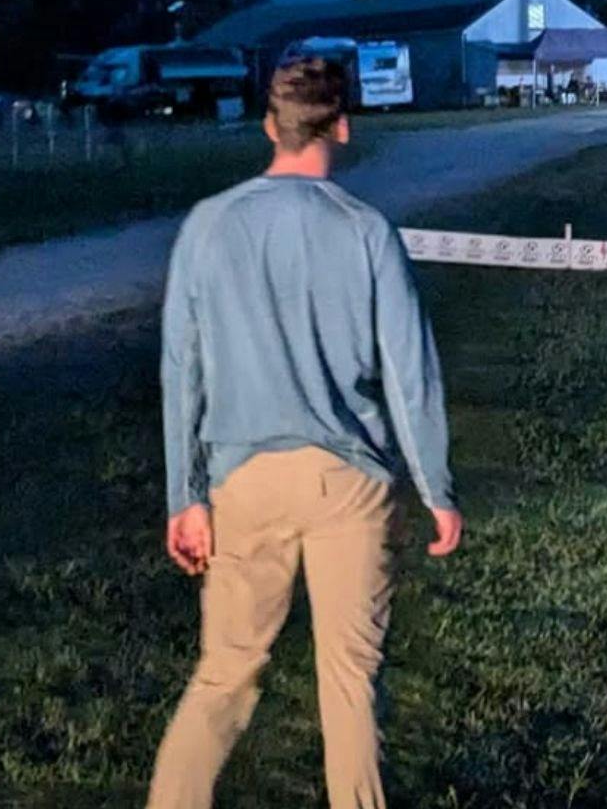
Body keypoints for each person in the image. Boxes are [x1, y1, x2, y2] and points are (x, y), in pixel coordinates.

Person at [148, 57, 461, 809]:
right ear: (342, 125)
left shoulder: (208, 225)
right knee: (349, 682)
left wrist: (185, 495)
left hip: (240, 482)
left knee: (225, 674)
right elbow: (409, 373)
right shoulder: (365, 231)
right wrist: (437, 490)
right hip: (347, 484)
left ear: (270, 126)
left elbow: (181, 371)